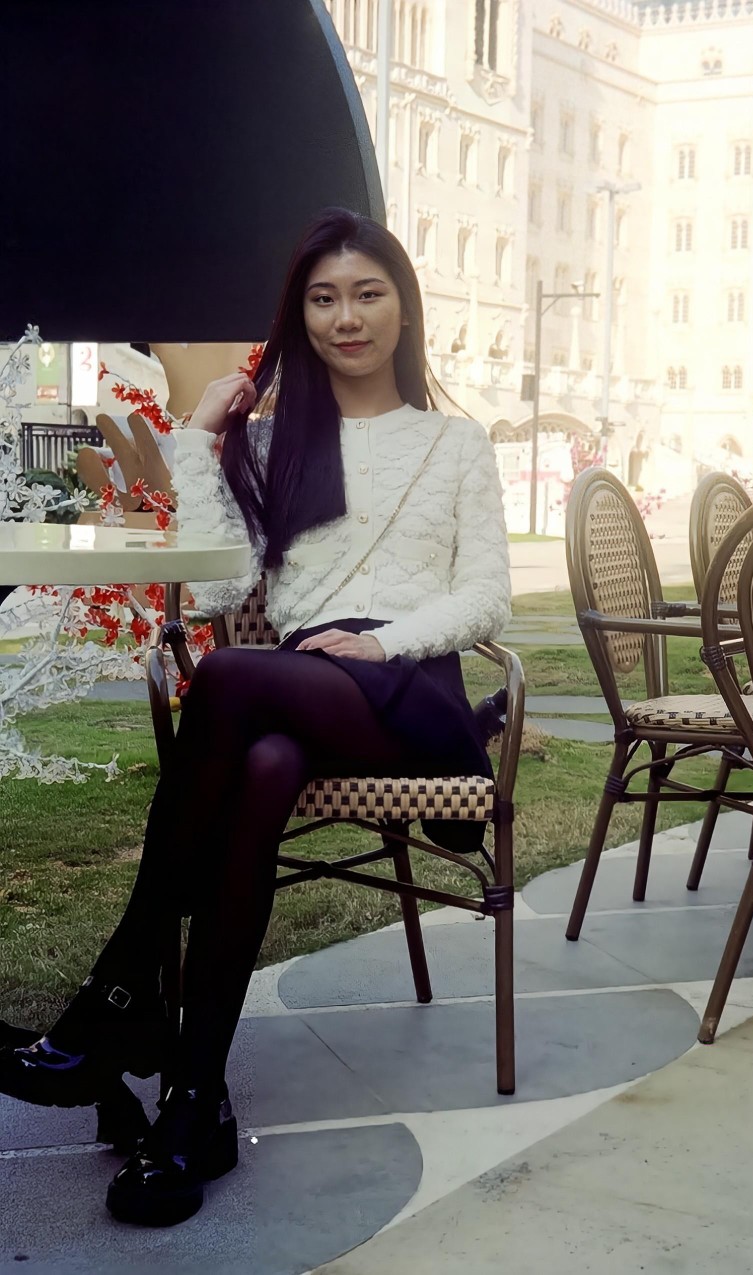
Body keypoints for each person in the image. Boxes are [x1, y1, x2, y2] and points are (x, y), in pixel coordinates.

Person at [0, 208, 511, 1227]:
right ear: (298, 317)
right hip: (297, 690)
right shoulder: (274, 441)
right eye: (322, 298)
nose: (345, 317)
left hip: (408, 692)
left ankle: (120, 992)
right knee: (265, 760)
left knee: (234, 679)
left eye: (366, 293)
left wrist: (384, 645)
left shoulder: (455, 442)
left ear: (404, 306)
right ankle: (195, 1100)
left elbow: (486, 595)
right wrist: (199, 440)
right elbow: (218, 588)